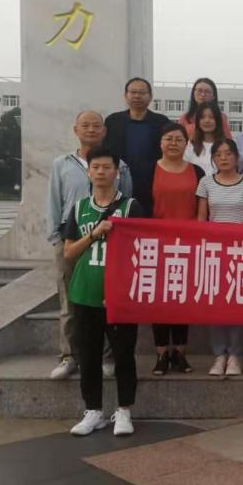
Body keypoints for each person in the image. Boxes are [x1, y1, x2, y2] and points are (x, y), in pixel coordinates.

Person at [63, 148, 144, 437]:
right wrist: (93, 234)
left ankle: (124, 410)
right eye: (95, 167)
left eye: (106, 167)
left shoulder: (131, 206)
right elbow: (69, 252)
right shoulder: (79, 208)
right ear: (88, 172)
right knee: (89, 356)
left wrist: (124, 288)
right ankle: (93, 411)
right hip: (85, 293)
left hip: (119, 296)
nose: (100, 172)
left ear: (116, 172)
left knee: (123, 355)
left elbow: (142, 251)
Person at [47, 111, 132, 380]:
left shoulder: (121, 166)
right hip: (72, 239)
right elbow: (54, 201)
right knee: (69, 301)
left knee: (106, 298)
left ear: (104, 131)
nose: (91, 129)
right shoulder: (61, 164)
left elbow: (127, 202)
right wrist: (56, 238)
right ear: (76, 130)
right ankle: (69, 355)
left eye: (97, 125)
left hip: (110, 242)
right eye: (86, 125)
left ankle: (106, 356)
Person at [196, 139, 243, 376]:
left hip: (241, 251)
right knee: (216, 304)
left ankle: (235, 355)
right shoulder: (205, 182)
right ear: (213, 158)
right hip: (214, 251)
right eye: (218, 154)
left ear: (237, 157)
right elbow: (202, 219)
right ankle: (219, 354)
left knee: (237, 304)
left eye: (228, 153)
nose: (223, 158)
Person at [149, 123, 204, 376]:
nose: (173, 143)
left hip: (187, 244)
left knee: (182, 298)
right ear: (160, 143)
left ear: (186, 144)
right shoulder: (148, 170)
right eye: (168, 138)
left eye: (179, 139)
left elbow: (202, 207)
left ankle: (180, 352)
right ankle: (161, 353)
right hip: (156, 244)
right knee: (159, 300)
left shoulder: (197, 171)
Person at [103, 77, 169, 216]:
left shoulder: (161, 122)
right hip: (118, 184)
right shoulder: (113, 121)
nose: (137, 96)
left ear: (150, 96)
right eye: (133, 92)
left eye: (142, 92)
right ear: (125, 95)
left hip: (152, 184)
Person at [183, 102, 227, 175]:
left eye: (211, 117)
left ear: (217, 120)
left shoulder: (226, 146)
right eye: (202, 117)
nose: (207, 121)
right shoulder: (190, 146)